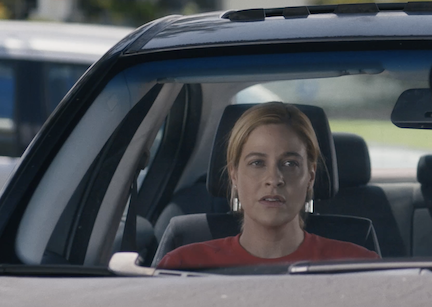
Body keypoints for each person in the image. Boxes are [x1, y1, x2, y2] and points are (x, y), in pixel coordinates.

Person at [158, 102, 378, 269]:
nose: (274, 178)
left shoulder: (357, 265)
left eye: (290, 163)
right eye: (257, 163)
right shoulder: (183, 266)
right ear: (234, 175)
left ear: (310, 176)